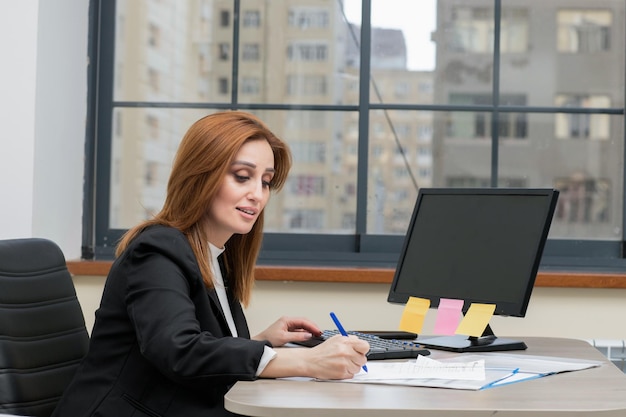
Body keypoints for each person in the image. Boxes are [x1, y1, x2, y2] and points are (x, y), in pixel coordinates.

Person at [51, 111, 370, 417]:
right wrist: (305, 362)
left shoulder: (215, 256)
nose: (257, 194)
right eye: (242, 177)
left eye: (265, 182)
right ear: (201, 175)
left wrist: (261, 342)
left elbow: (202, 349)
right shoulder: (156, 252)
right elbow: (180, 350)